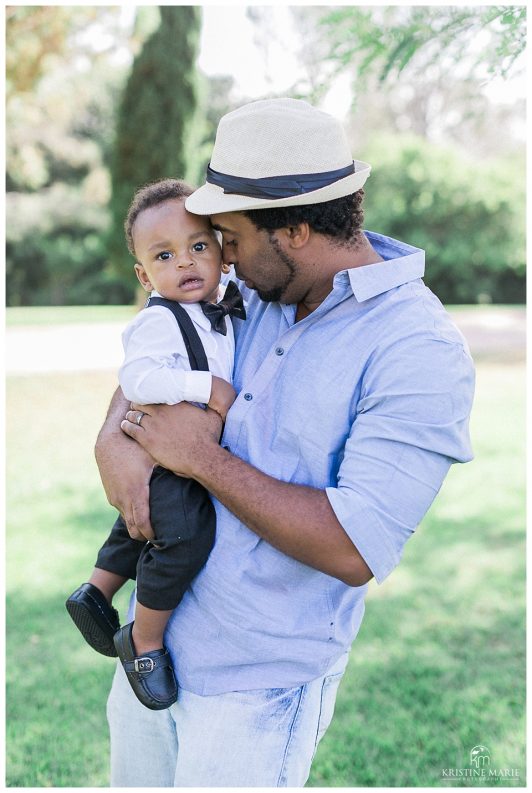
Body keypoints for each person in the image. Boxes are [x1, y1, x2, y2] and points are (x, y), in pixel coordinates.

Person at [96, 98, 475, 786]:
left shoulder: (418, 349)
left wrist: (202, 460)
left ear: (295, 228)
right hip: (155, 648)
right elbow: (162, 347)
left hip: (259, 688)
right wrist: (111, 437)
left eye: (229, 237)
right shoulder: (254, 283)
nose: (220, 255)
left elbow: (353, 547)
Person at [66, 178, 244, 711]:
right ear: (144, 274)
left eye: (197, 247)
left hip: (174, 454)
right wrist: (204, 388)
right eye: (165, 256)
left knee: (141, 521)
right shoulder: (158, 321)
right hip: (170, 452)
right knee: (184, 535)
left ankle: (96, 591)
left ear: (222, 254)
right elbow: (139, 380)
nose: (185, 264)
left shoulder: (224, 307)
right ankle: (143, 640)